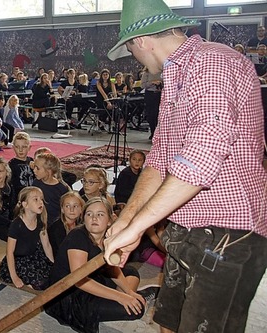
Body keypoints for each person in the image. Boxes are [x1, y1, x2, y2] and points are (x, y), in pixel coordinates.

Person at [104, 2, 267, 333]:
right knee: (168, 322)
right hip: (186, 227)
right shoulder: (174, 78)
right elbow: (159, 159)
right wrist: (126, 221)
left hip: (228, 234)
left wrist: (138, 228)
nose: (135, 59)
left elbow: (204, 151)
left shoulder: (211, 61)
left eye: (131, 50)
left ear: (140, 41)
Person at [45, 197, 146, 333]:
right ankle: (112, 300)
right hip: (69, 296)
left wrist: (129, 292)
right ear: (84, 218)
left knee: (131, 272)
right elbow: (79, 281)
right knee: (137, 309)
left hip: (93, 280)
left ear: (109, 220)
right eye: (89, 214)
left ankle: (114, 298)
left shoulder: (108, 237)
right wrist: (121, 297)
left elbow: (111, 269)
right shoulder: (78, 236)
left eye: (100, 214)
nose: (94, 218)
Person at [0, 186, 55, 290]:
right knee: (40, 283)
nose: (40, 202)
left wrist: (53, 264)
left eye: (41, 199)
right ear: (25, 204)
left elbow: (46, 245)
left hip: (34, 256)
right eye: (36, 199)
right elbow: (9, 252)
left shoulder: (40, 220)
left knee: (53, 276)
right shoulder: (17, 225)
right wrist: (14, 277)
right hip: (19, 261)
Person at [49, 191, 84, 256]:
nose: (71, 210)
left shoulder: (83, 225)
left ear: (81, 209)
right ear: (62, 209)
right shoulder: (55, 229)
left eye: (75, 206)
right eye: (67, 206)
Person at [8, 131, 34, 200]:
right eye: (17, 147)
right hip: (19, 195)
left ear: (29, 147)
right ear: (13, 147)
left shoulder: (32, 161)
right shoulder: (11, 164)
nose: (20, 150)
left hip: (33, 193)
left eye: (24, 147)